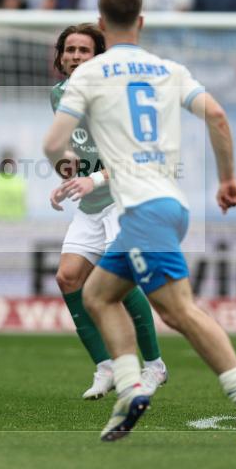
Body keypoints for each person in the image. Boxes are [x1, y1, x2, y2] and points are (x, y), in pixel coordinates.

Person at [44, 0, 236, 446]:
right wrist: (228, 179)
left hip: (140, 211)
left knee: (179, 312)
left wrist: (64, 165)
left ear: (103, 26)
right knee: (97, 295)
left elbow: (53, 143)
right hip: (168, 205)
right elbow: (218, 116)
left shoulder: (89, 76)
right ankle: (130, 388)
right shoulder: (169, 69)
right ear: (142, 22)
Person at [48, 23, 168, 400]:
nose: (75, 56)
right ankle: (106, 366)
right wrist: (67, 175)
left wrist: (93, 181)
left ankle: (154, 366)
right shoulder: (59, 95)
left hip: (123, 198)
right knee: (68, 278)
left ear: (98, 56)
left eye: (84, 50)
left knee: (116, 281)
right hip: (91, 203)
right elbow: (75, 151)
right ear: (61, 56)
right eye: (70, 50)